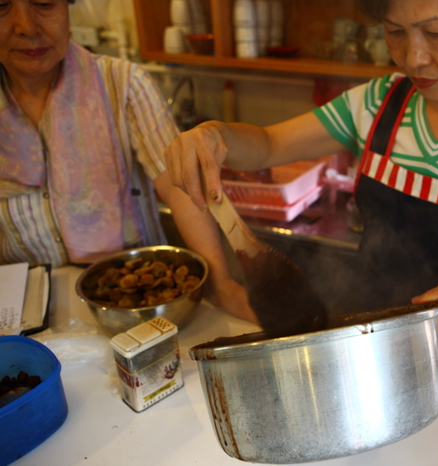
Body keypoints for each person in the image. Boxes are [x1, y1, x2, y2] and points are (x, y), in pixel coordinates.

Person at [164, 0, 438, 358]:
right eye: (395, 32)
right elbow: (268, 144)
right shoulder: (378, 102)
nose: (413, 57)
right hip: (361, 346)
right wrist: (214, 135)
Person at [0, 0, 256, 323]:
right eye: (2, 6)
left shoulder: (122, 84)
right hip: (20, 316)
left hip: (139, 308)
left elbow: (181, 187)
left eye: (44, 3)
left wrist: (221, 284)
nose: (25, 26)